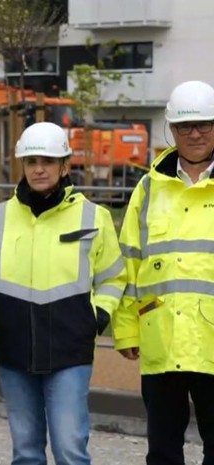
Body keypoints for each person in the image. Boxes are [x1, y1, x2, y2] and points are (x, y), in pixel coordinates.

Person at [0, 122, 126, 465]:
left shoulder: (94, 217)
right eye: (31, 161)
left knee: (70, 450)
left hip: (70, 349)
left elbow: (114, 276)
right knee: (26, 451)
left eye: (48, 161)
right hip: (13, 348)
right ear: (22, 165)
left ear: (65, 165)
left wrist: (97, 316)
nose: (39, 169)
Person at [113, 80, 214, 465]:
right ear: (171, 129)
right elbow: (128, 262)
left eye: (204, 124)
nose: (195, 134)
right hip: (162, 341)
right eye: (185, 126)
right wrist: (126, 329)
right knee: (163, 452)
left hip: (212, 342)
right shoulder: (148, 189)